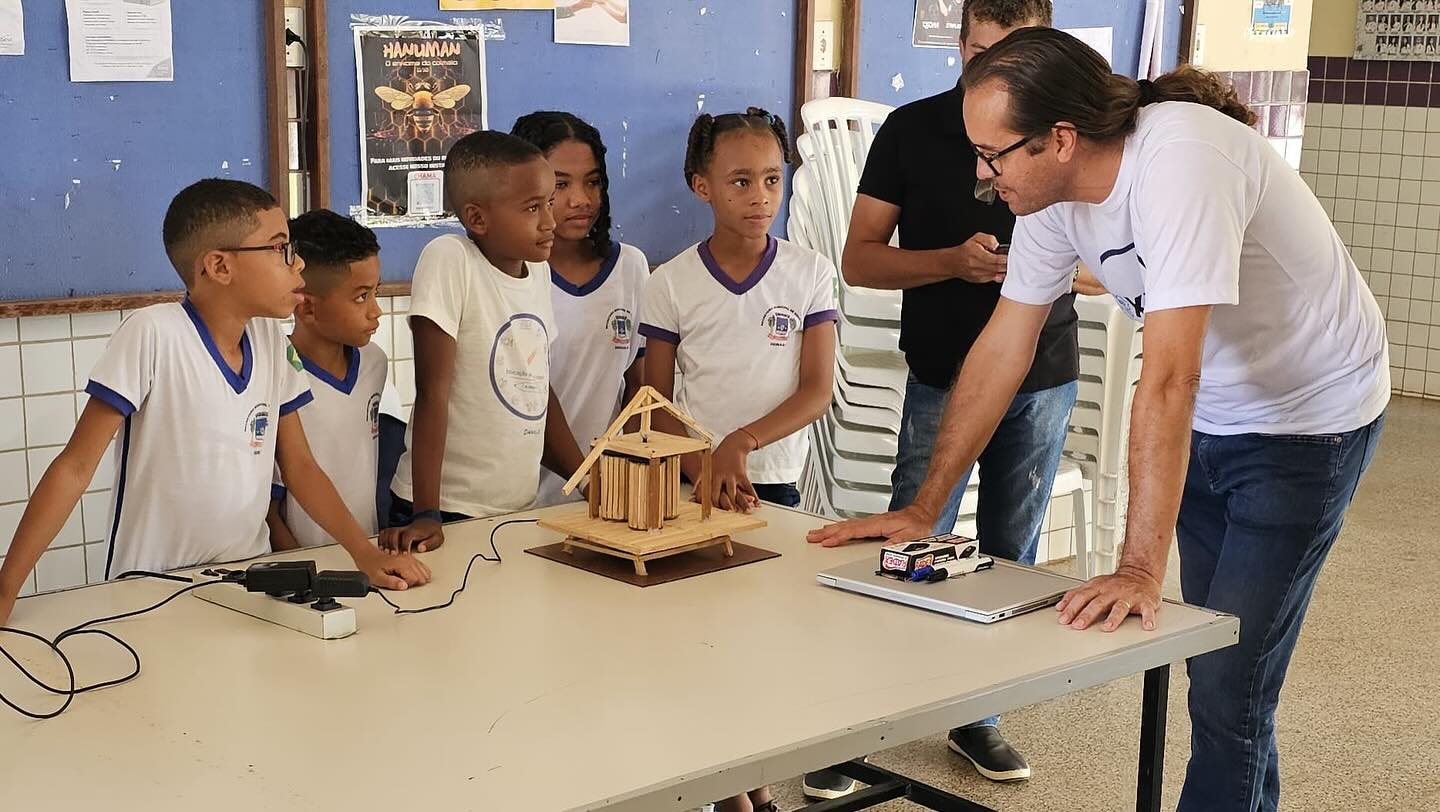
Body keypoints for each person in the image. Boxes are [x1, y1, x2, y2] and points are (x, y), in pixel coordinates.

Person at [810, 28, 1388, 812]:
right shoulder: (1049, 197)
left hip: (1306, 424)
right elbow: (1002, 349)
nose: (983, 175)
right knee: (1220, 665)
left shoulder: (1182, 162)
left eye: (994, 153)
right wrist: (923, 505)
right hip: (1212, 420)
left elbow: (1169, 376)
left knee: (1228, 682)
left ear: (1060, 138)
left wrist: (1139, 565)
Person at [840, 0, 1095, 786]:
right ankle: (851, 724)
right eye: (979, 52)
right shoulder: (912, 132)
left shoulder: (1068, 144)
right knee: (908, 547)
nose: (994, 74)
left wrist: (1033, 272)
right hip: (942, 377)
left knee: (1008, 556)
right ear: (958, 43)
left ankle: (976, 716)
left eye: (1013, 56)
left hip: (1044, 375)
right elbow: (859, 260)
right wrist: (949, 261)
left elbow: (1115, 268)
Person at [0, 180, 431, 627]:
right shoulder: (153, 334)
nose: (297, 264)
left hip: (250, 581)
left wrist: (364, 554)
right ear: (220, 266)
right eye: (280, 248)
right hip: (151, 588)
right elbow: (74, 468)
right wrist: (8, 584)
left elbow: (300, 465)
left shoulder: (269, 341)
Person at [642, 107, 837, 812]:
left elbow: (817, 390)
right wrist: (704, 465)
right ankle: (730, 796)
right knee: (703, 647)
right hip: (696, 489)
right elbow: (654, 402)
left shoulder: (809, 273)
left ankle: (751, 786)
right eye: (740, 181)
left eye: (772, 180)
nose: (760, 196)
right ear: (702, 186)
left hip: (772, 487)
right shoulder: (669, 283)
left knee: (760, 648)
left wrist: (742, 443)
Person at [382, 132, 587, 555]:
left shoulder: (539, 273)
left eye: (549, 203)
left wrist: (588, 478)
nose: (550, 221)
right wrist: (426, 512)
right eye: (533, 208)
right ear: (477, 219)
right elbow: (432, 393)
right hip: (445, 510)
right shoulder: (451, 259)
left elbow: (535, 394)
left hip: (513, 507)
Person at [511, 111, 647, 508]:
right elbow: (529, 399)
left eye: (592, 182)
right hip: (516, 503)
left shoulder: (630, 267)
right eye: (560, 184)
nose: (581, 200)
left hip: (601, 498)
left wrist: (624, 473)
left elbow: (638, 387)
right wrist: (588, 481)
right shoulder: (511, 273)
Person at [266, 209, 388, 550]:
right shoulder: (275, 373)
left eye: (376, 292)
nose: (376, 310)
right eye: (361, 296)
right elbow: (269, 508)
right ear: (307, 309)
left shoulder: (374, 363)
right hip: (305, 566)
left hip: (366, 553)